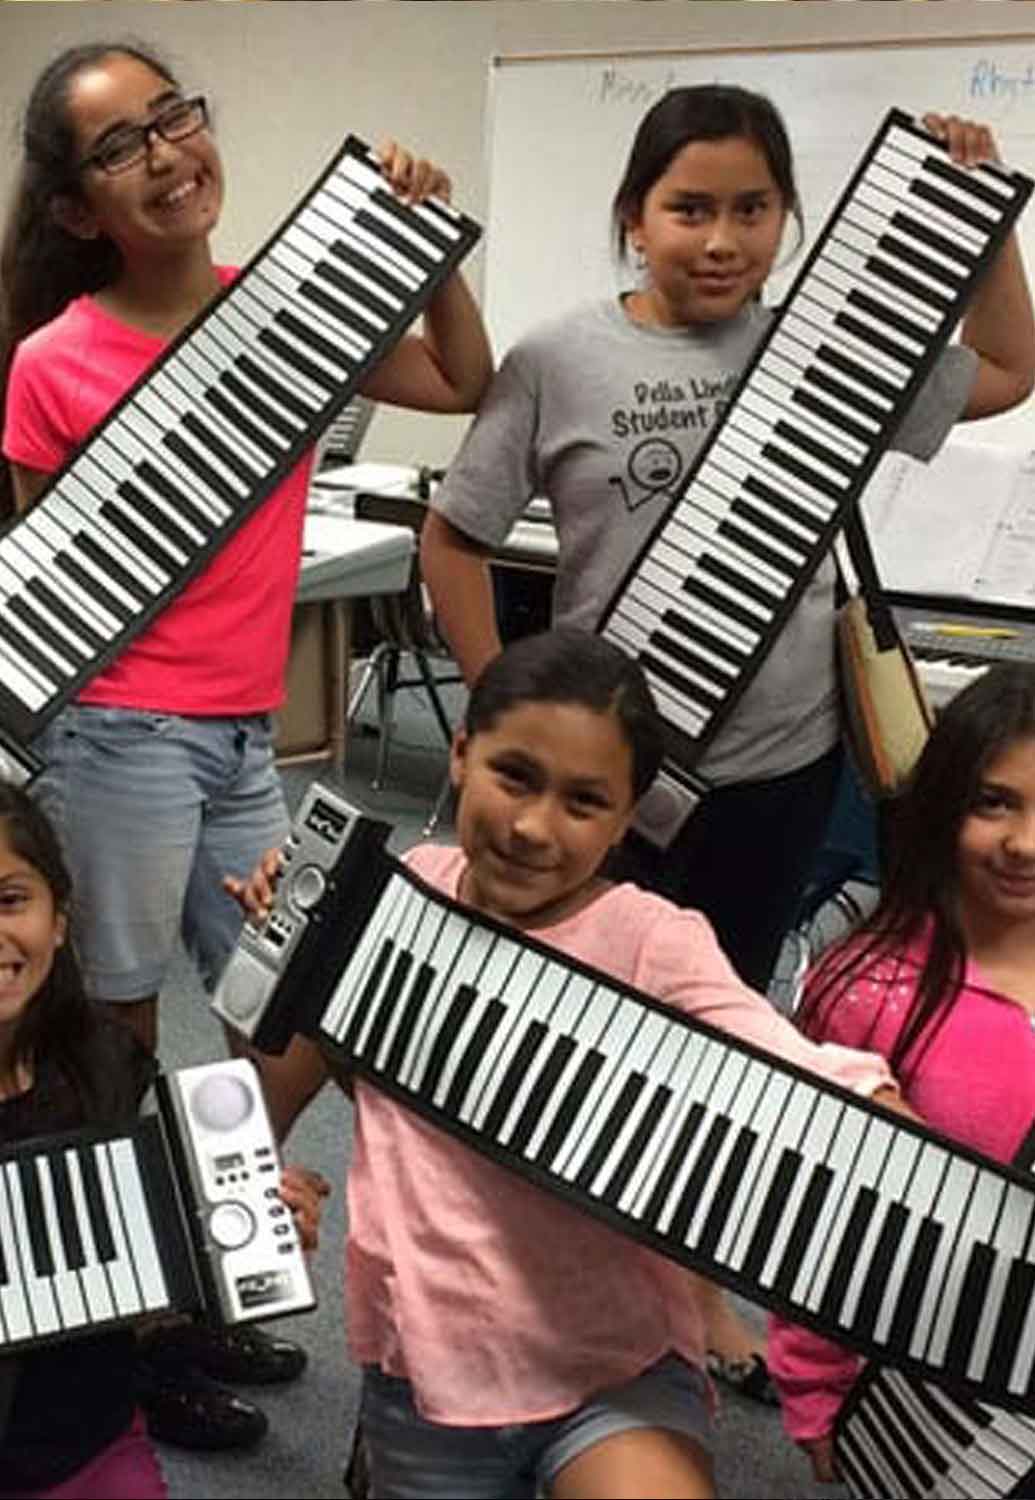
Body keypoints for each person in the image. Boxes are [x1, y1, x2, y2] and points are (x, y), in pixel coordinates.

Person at [418, 84, 1035, 1386]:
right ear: (632, 217)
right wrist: (498, 719)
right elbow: (455, 538)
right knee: (566, 1024)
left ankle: (689, 1292)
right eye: (686, 206)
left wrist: (982, 227)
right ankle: (529, 1278)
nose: (718, 236)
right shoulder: (556, 358)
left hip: (779, 765)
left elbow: (1008, 368)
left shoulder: (835, 348)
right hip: (601, 789)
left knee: (716, 1028)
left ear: (786, 220)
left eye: (749, 208)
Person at [0, 39, 491, 1452]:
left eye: (174, 117)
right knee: (112, 1034)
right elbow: (51, 573)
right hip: (121, 737)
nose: (164, 152)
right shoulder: (53, 359)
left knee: (295, 1004)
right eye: (118, 146)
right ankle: (131, 1324)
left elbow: (460, 376)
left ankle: (196, 1257)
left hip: (245, 740)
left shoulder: (274, 318)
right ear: (80, 206)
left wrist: (424, 242)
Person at [227, 626, 916, 1500]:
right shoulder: (394, 892)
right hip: (428, 1366)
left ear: (626, 817)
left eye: (583, 803)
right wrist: (282, 953)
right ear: (460, 754)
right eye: (512, 775)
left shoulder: (651, 940)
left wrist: (887, 1120)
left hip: (611, 1366)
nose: (530, 826)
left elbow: (777, 1053)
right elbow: (278, 1071)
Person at [0, 778, 324, 1499]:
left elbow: (130, 1281)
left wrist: (245, 1235)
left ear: (59, 918)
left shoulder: (103, 1062)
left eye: (9, 900)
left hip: (84, 1437)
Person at [768, 662, 1035, 1483]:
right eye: (995, 803)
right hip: (934, 1384)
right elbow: (820, 1209)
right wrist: (814, 1384)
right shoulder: (865, 990)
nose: (1025, 843)